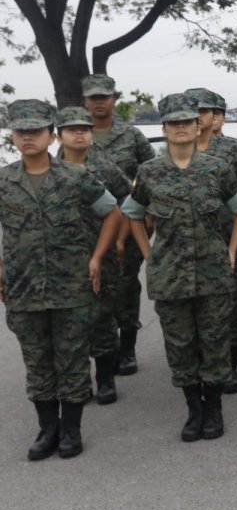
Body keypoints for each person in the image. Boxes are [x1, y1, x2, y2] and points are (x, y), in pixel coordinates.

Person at [121, 93, 237, 442]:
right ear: (164, 128)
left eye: (187, 122)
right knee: (180, 345)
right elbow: (133, 214)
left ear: (198, 127)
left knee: (214, 341)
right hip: (171, 274)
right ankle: (193, 411)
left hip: (213, 270)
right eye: (173, 123)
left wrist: (233, 248)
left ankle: (214, 411)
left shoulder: (216, 168)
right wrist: (150, 254)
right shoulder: (149, 172)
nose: (180, 128)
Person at [1, 100, 122, 460]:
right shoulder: (4, 181)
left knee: (71, 361)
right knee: (37, 362)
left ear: (51, 136)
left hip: (71, 287)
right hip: (23, 288)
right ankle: (46, 430)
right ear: (13, 137)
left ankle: (71, 430)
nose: (28, 138)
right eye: (22, 133)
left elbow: (112, 213)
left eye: (36, 132)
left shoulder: (75, 176)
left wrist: (97, 256)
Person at [186, 88, 237, 394]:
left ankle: (231, 356)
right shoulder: (176, 150)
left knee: (233, 297)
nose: (195, 118)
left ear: (216, 117)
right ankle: (201, 360)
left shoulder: (234, 149)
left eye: (202, 112)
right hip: (190, 243)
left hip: (229, 236)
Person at [56, 106, 132, 406]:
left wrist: (121, 239)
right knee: (67, 323)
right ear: (58, 135)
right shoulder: (48, 169)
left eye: (85, 129)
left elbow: (129, 202)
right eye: (72, 129)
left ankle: (105, 379)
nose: (79, 134)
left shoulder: (106, 168)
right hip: (61, 260)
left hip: (104, 252)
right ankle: (76, 381)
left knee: (102, 316)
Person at [81, 74, 155, 376]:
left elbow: (149, 177)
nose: (99, 102)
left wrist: (149, 216)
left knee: (125, 286)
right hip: (85, 228)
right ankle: (99, 353)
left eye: (104, 96)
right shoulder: (76, 135)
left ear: (114, 99)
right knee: (89, 290)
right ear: (85, 101)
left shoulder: (131, 136)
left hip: (127, 223)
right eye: (93, 97)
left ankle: (127, 349)